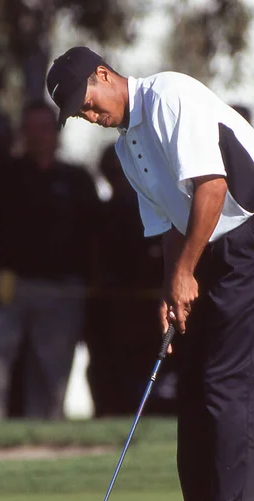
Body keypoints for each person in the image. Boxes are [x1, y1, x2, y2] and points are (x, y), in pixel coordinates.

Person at [46, 47, 254, 501]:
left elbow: (212, 188)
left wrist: (187, 271)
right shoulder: (126, 148)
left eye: (88, 101)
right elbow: (167, 224)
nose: (90, 115)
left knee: (230, 381)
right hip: (214, 247)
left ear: (104, 74)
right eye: (79, 114)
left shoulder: (169, 94)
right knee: (195, 381)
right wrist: (172, 284)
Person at [0, 100, 100, 420]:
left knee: (51, 376)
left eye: (45, 128)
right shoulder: (3, 175)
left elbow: (95, 235)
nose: (39, 136)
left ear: (56, 134)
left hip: (62, 290)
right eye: (32, 128)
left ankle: (43, 444)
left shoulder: (77, 180)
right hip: (8, 285)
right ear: (22, 134)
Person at [85, 144, 166, 416]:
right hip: (110, 314)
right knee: (109, 374)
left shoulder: (155, 210)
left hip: (147, 313)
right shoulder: (101, 214)